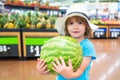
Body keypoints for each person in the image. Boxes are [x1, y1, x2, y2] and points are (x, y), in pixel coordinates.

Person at [36, 4, 98, 80]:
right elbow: (56, 66)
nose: (75, 27)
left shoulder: (87, 46)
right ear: (66, 27)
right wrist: (43, 70)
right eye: (71, 23)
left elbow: (81, 70)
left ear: (87, 26)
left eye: (80, 23)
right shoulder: (62, 42)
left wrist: (70, 75)